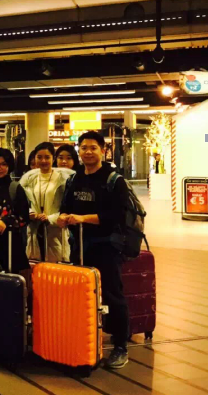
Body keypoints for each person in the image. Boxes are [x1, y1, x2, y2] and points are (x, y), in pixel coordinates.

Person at [58, 131, 130, 369]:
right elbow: (66, 206)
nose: (88, 152)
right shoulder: (74, 179)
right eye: (84, 148)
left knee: (112, 293)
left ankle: (120, 345)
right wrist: (64, 217)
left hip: (107, 246)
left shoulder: (113, 180)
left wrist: (83, 218)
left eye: (93, 148)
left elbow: (117, 216)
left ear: (103, 150)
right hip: (79, 246)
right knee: (82, 294)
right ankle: (85, 340)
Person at [20, 142, 75, 263]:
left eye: (47, 157)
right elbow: (23, 202)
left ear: (53, 158)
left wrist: (50, 218)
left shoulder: (64, 180)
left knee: (56, 266)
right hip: (34, 227)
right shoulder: (28, 179)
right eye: (39, 157)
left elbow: (67, 205)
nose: (43, 161)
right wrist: (30, 213)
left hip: (56, 228)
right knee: (35, 265)